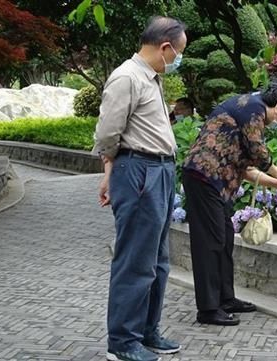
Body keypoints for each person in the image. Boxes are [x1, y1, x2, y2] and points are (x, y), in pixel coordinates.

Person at [93, 16, 186, 361]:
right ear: (165, 47)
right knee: (135, 260)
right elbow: (107, 135)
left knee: (158, 261)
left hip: (159, 170)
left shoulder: (152, 78)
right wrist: (109, 172)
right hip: (139, 170)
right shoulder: (127, 78)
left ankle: (147, 331)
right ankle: (122, 342)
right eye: (178, 53)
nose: (178, 59)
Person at [181, 78, 277, 326]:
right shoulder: (254, 109)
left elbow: (246, 168)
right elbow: (257, 150)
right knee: (210, 243)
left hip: (215, 183)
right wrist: (275, 169)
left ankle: (225, 299)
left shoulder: (246, 111)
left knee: (224, 240)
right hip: (203, 177)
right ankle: (208, 309)